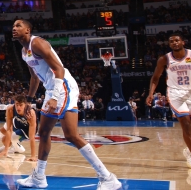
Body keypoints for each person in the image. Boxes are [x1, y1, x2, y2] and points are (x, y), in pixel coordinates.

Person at [12, 19, 120, 189]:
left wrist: (54, 96)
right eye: (13, 26)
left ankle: (40, 177)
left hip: (61, 86)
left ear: (28, 30)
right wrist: (29, 100)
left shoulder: (38, 43)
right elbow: (34, 78)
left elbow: (59, 69)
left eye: (18, 26)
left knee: (45, 131)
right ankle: (107, 178)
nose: (14, 28)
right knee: (69, 135)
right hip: (58, 87)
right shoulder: (24, 52)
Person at [146, 33, 191, 167]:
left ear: (183, 42)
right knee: (186, 126)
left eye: (177, 40)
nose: (174, 43)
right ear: (169, 45)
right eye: (171, 41)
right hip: (176, 94)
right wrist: (151, 93)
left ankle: (189, 149)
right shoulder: (164, 59)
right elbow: (156, 77)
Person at [0, 95, 37, 161]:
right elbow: (8, 130)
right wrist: (6, 150)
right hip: (17, 123)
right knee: (3, 134)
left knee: (12, 138)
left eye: (21, 105)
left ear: (25, 105)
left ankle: (17, 148)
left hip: (26, 130)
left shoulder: (30, 113)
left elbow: (32, 137)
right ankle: (11, 146)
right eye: (17, 104)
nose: (18, 107)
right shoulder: (10, 109)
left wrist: (33, 156)